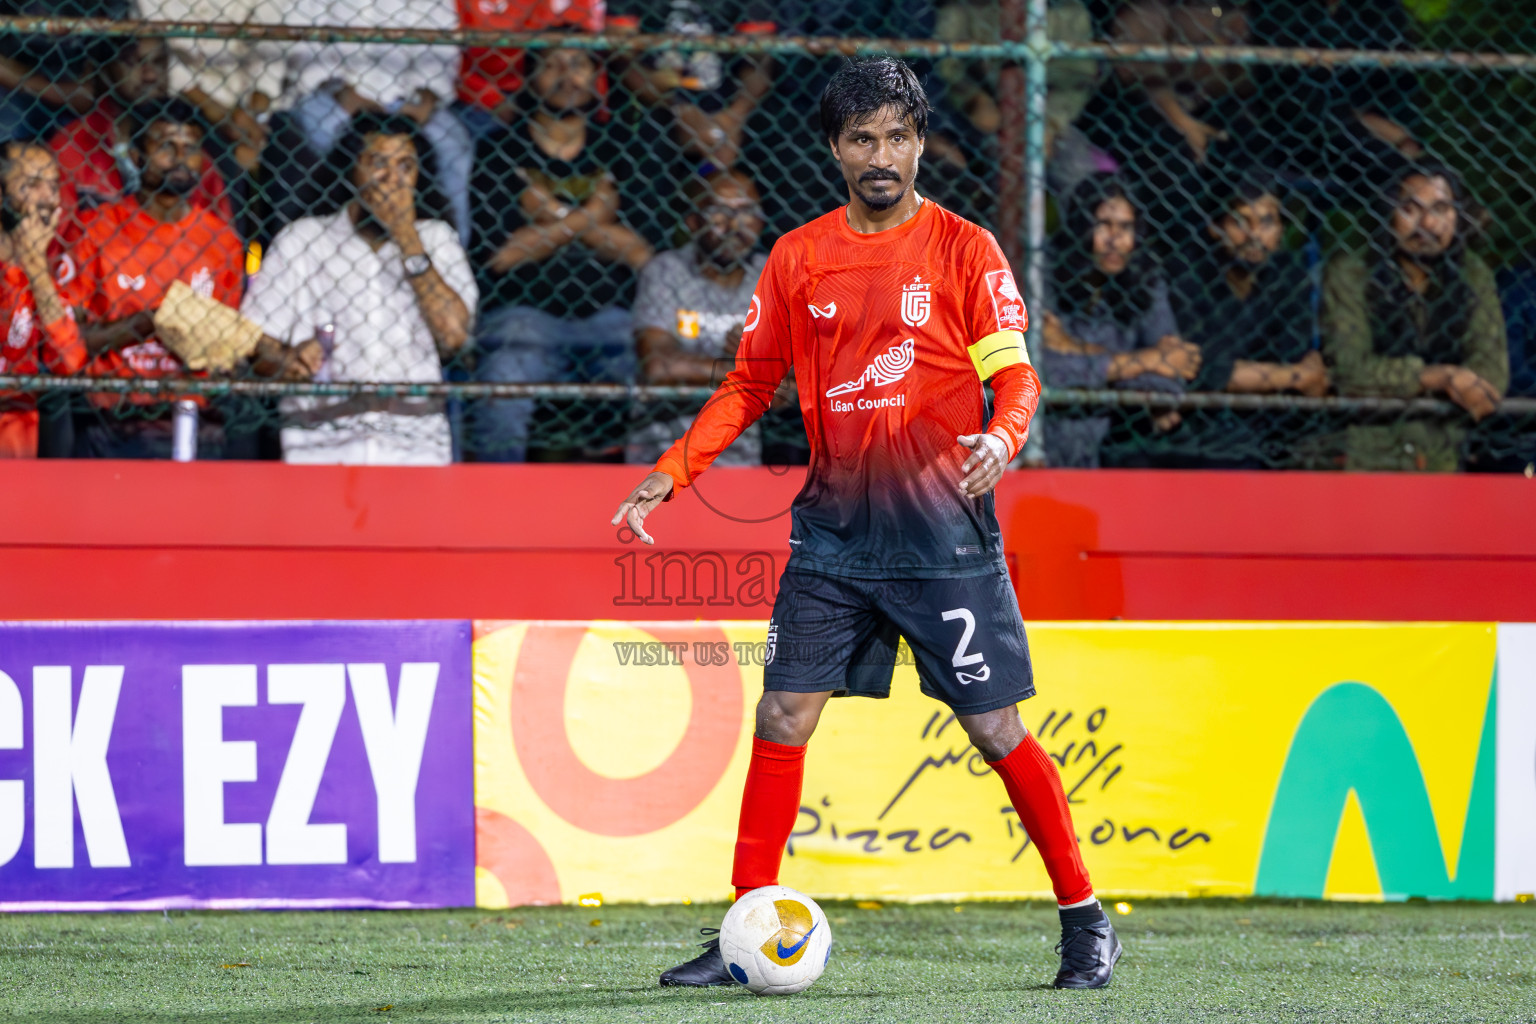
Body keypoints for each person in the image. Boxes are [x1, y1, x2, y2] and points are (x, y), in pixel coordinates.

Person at [611, 58, 1120, 991]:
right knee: (783, 712)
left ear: (920, 142)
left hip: (942, 537)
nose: (880, 155)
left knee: (995, 728)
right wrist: (672, 472)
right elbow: (748, 384)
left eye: (895, 137)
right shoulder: (799, 256)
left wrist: (1003, 437)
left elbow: (1017, 376)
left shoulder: (966, 249)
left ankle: (1085, 918)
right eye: (861, 139)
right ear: (835, 150)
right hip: (835, 539)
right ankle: (746, 927)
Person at [242, 113, 475, 465]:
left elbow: (453, 335)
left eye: (406, 166)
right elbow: (254, 340)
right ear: (350, 170)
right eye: (378, 163)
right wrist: (287, 359)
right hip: (320, 447)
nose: (392, 179)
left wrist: (407, 236)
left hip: (415, 450)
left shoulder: (437, 239)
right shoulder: (302, 240)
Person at [468, 44, 655, 462]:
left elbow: (641, 253)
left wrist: (550, 217)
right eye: (551, 65)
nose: (566, 75)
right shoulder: (500, 149)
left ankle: (653, 496)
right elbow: (502, 256)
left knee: (653, 376)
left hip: (613, 316)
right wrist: (593, 218)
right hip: (523, 315)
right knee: (502, 383)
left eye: (577, 64)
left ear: (595, 77)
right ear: (530, 80)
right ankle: (492, 496)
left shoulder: (622, 146)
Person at [71, 97, 244, 458]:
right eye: (165, 145)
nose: (180, 157)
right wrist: (148, 322)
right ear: (136, 156)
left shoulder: (222, 242)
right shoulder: (94, 230)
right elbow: (70, 340)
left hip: (193, 413)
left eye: (190, 148)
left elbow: (225, 349)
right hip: (111, 413)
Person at [1322, 163, 1509, 472]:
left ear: (1457, 217)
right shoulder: (1352, 273)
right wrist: (1438, 377)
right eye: (1410, 209)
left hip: (1447, 452)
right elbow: (1349, 369)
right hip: (1366, 455)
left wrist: (1454, 382)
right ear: (1388, 215)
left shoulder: (1473, 273)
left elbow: (1491, 372)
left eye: (1440, 209)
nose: (1428, 224)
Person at [1164, 176, 1329, 467]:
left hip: (1267, 433)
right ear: (1215, 227)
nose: (1254, 235)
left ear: (1281, 230)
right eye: (1240, 222)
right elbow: (1202, 369)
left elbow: (1297, 358)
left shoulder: (1288, 277)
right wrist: (1294, 376)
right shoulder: (1186, 273)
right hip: (1192, 437)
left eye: (1267, 222)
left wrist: (1285, 375)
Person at [1038, 176, 1199, 467]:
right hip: (1045, 439)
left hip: (1115, 442)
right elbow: (1044, 369)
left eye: (1125, 227)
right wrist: (1147, 360)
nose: (1115, 240)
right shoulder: (1044, 272)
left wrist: (1077, 354)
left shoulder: (1146, 279)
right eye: (1103, 225)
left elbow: (1172, 377)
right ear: (1081, 226)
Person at [626, 170, 771, 468]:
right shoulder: (666, 271)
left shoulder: (770, 273)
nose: (735, 225)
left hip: (739, 457)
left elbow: (794, 376)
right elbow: (658, 365)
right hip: (660, 451)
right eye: (719, 212)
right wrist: (748, 369)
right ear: (693, 221)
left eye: (747, 212)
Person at [46, 37, 232, 242]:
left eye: (158, 62)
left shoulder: (189, 155)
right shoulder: (72, 146)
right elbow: (56, 241)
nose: (150, 75)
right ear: (106, 70)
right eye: (133, 62)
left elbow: (219, 241)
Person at [0, 141, 86, 456]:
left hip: (18, 434)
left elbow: (69, 361)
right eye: (32, 185)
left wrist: (35, 264)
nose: (48, 198)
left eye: (53, 185)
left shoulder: (43, 270)